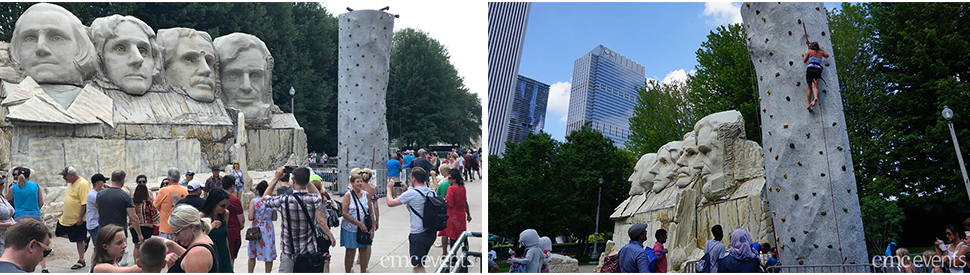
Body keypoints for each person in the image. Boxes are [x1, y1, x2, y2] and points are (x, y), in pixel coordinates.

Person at [260, 166, 334, 273]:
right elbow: (318, 194)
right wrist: (306, 178)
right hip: (310, 252)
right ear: (307, 180)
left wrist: (276, 178)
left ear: (293, 180)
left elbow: (265, 199)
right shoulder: (314, 199)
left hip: (290, 252)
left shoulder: (284, 201)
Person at [385, 167, 441, 272]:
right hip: (430, 232)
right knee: (417, 264)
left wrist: (389, 189)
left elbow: (390, 203)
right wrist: (406, 189)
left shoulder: (412, 194)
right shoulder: (431, 192)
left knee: (418, 266)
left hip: (418, 233)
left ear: (413, 179)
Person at [96, 170, 143, 267]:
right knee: (121, 262)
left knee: (105, 260)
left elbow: (96, 205)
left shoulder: (100, 194)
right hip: (119, 234)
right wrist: (139, 234)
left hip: (103, 232)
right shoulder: (125, 196)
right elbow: (133, 217)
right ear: (122, 181)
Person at [5, 168, 45, 272]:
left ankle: (22, 266)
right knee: (39, 242)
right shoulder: (35, 186)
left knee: (22, 243)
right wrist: (35, 209)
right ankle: (44, 267)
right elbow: (41, 202)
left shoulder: (13, 188)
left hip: (20, 217)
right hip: (35, 215)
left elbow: (6, 199)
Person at [55, 166, 91, 270]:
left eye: (65, 176)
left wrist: (80, 217)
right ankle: (85, 239)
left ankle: (81, 260)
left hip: (77, 218)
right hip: (66, 218)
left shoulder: (83, 184)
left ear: (72, 174)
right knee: (59, 233)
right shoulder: (71, 184)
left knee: (78, 239)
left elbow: (85, 203)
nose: (64, 178)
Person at [164, 204, 218, 273]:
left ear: (191, 227)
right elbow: (188, 255)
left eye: (177, 233)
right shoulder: (204, 242)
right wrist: (170, 244)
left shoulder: (197, 254)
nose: (175, 239)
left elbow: (192, 257)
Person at [342, 171, 376, 273]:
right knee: (351, 251)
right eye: (357, 182)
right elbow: (344, 213)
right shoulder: (348, 195)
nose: (360, 184)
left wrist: (372, 227)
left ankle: (363, 271)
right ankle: (348, 271)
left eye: (361, 181)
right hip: (350, 227)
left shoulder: (366, 195)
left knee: (364, 250)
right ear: (352, 183)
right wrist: (358, 223)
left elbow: (371, 212)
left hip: (364, 227)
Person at [200, 188, 233, 272]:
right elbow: (198, 238)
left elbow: (225, 237)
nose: (224, 208)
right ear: (214, 204)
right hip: (210, 254)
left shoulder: (225, 214)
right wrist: (210, 227)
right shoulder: (202, 216)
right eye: (222, 206)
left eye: (226, 205)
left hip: (223, 253)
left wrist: (230, 257)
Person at [247, 180, 276, 273]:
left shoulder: (254, 201)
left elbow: (250, 217)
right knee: (269, 252)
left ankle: (250, 272)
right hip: (268, 229)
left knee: (252, 253)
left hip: (256, 228)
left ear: (258, 191)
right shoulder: (271, 201)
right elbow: (274, 218)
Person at [444, 169, 472, 257]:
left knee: (453, 236)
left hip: (452, 215)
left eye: (449, 178)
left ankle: (453, 256)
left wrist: (444, 201)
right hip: (461, 214)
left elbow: (450, 204)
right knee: (463, 235)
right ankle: (466, 253)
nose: (447, 180)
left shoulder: (451, 188)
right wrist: (468, 214)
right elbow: (465, 202)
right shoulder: (462, 188)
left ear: (454, 179)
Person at [154, 171, 187, 241]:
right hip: (182, 228)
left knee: (166, 251)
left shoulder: (163, 190)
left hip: (166, 228)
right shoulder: (185, 190)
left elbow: (155, 205)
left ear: (169, 179)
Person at [220, 176, 244, 270]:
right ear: (233, 186)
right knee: (231, 259)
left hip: (220, 231)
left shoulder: (217, 198)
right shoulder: (235, 200)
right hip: (232, 232)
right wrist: (241, 226)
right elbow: (241, 219)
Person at [130, 184, 158, 263]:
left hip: (134, 226)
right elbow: (154, 214)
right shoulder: (148, 203)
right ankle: (145, 262)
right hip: (147, 226)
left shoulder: (132, 202)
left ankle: (136, 263)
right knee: (146, 245)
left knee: (136, 246)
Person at [801, 41, 829, 111]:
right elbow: (827, 55)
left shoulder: (810, 51)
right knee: (815, 86)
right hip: (818, 69)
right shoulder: (820, 53)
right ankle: (815, 97)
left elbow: (804, 60)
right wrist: (822, 49)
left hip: (810, 69)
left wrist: (804, 54)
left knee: (809, 88)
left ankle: (808, 104)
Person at [86, 174, 109, 246]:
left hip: (98, 223)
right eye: (103, 181)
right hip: (95, 224)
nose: (105, 183)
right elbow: (104, 207)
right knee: (98, 248)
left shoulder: (98, 193)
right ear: (97, 183)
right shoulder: (93, 195)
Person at [435, 166, 452, 253]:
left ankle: (444, 252)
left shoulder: (442, 184)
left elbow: (436, 194)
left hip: (444, 209)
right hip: (454, 211)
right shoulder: (456, 184)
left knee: (444, 232)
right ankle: (453, 252)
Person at [0, 177, 15, 256]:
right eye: (1, 184)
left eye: (2, 184)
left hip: (8, 236)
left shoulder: (2, 197)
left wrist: (13, 222)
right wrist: (8, 224)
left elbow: (9, 213)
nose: (2, 186)